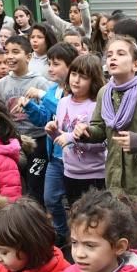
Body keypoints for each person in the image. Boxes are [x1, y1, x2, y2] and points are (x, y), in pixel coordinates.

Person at [74, 35, 137, 272]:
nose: (113, 58)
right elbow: (100, 129)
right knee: (123, 236)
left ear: (136, 64)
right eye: (109, 55)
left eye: (120, 54)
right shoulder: (104, 93)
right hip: (115, 177)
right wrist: (86, 132)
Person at [25, 41, 78, 239]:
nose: (50, 68)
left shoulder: (78, 90)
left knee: (78, 204)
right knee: (50, 199)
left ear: (71, 65)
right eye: (49, 63)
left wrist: (41, 95)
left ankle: (78, 235)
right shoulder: (53, 90)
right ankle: (62, 233)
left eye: (56, 64)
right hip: (55, 157)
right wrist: (30, 107)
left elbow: (67, 111)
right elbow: (43, 119)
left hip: (76, 157)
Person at [0, 34, 53, 204]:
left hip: (38, 140)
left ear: (28, 56)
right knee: (17, 182)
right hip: (14, 140)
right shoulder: (2, 83)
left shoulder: (41, 82)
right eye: (7, 52)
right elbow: (0, 109)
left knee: (35, 182)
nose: (10, 56)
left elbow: (49, 112)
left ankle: (38, 218)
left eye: (15, 52)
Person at [49, 54, 107, 205]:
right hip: (70, 171)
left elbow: (101, 144)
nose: (76, 80)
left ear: (93, 80)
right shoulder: (63, 102)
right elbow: (62, 136)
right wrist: (53, 132)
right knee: (75, 217)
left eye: (83, 76)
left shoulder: (95, 105)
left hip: (94, 174)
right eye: (73, 74)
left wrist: (70, 138)